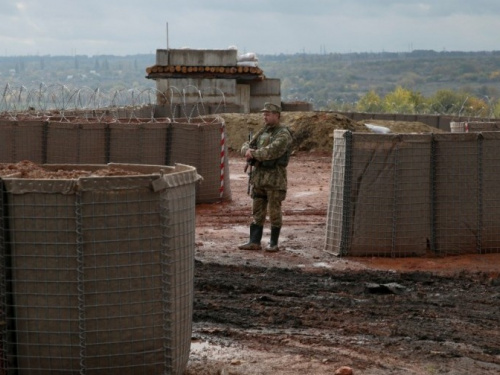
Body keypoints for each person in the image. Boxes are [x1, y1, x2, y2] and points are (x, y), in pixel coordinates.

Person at [238, 102, 293, 252]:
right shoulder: (263, 132)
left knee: (274, 211)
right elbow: (245, 145)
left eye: (268, 114)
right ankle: (254, 241)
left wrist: (253, 153)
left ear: (277, 115)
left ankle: (273, 243)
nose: (265, 117)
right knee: (257, 210)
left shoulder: (283, 134)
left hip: (275, 179)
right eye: (264, 114)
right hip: (259, 177)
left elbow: (272, 151)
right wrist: (247, 151)